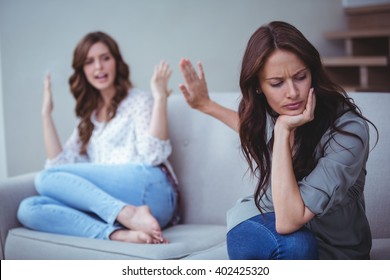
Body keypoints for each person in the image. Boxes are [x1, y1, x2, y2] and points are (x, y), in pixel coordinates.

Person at [178, 21, 378, 259]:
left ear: (313, 73)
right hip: (261, 219)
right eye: (277, 83)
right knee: (296, 246)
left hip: (335, 248)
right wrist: (206, 105)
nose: (292, 92)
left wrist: (282, 131)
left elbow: (290, 220)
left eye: (300, 77)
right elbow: (249, 127)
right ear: (259, 87)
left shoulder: (347, 131)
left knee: (299, 245)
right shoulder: (275, 115)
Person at [17, 31, 178, 244]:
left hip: (153, 191)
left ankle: (126, 214)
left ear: (116, 62)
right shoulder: (88, 118)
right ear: (82, 70)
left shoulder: (138, 100)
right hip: (118, 206)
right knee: (28, 209)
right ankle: (117, 233)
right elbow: (59, 164)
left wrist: (159, 99)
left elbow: (153, 155)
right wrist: (46, 115)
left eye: (105, 58)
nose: (99, 67)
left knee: (44, 178)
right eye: (89, 62)